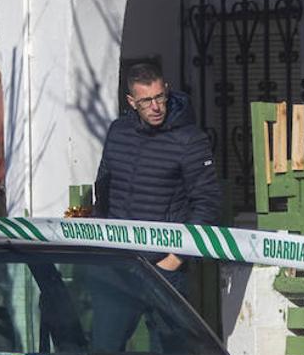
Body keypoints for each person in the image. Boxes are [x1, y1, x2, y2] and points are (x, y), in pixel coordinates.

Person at [93, 62, 221, 297]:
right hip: (118, 264)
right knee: (104, 335)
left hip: (165, 268)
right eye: (146, 101)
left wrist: (174, 259)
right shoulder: (118, 131)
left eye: (160, 97)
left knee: (168, 335)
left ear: (167, 90)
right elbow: (103, 189)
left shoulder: (190, 139)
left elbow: (207, 203)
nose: (156, 107)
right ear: (132, 102)